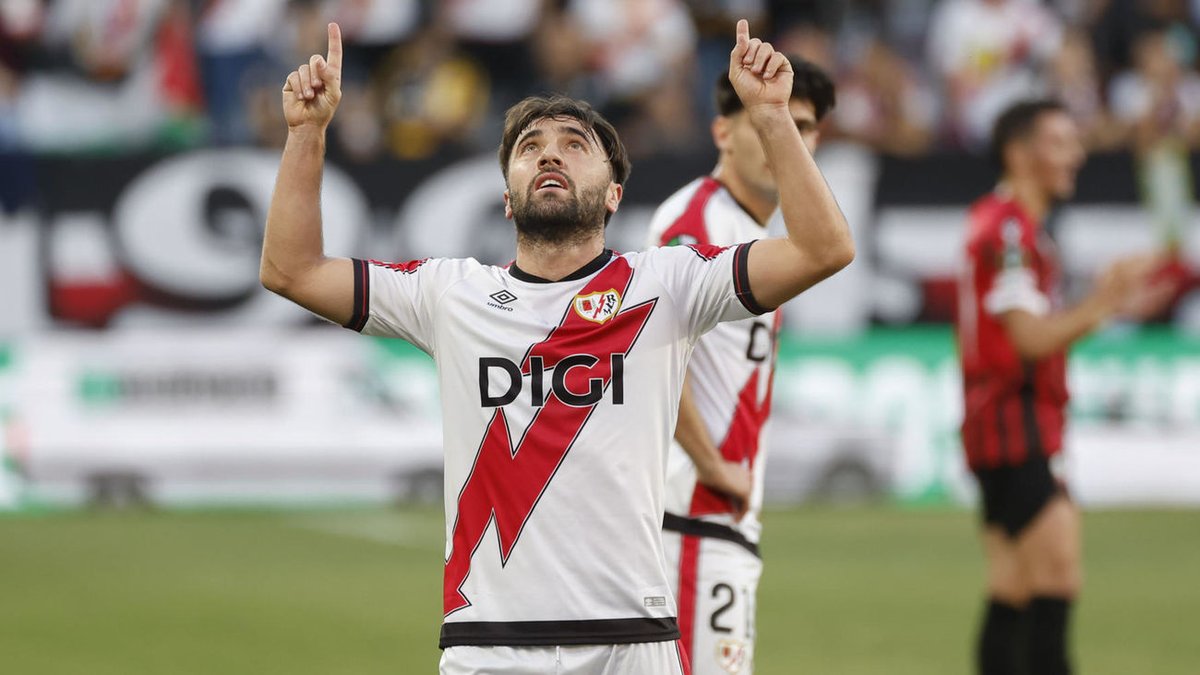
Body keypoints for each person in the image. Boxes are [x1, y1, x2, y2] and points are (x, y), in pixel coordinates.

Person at [261, 20, 854, 674]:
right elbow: (291, 270)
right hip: (490, 645)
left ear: (614, 194)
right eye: (530, 147)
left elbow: (823, 249)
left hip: (634, 643)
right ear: (506, 200)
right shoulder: (450, 294)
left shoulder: (668, 284)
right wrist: (306, 133)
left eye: (575, 145)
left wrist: (771, 117)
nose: (550, 156)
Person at [956, 99, 1174, 675]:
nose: (1075, 155)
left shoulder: (1009, 225)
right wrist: (1104, 301)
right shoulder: (1010, 230)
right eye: (1059, 143)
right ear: (1018, 153)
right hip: (1014, 423)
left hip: (999, 422)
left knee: (1013, 584)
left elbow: (1029, 326)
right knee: (1057, 579)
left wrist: (1114, 301)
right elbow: (1029, 339)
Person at [645, 56, 835, 674]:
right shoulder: (698, 221)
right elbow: (650, 353)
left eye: (803, 128)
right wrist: (710, 462)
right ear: (723, 132)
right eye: (768, 122)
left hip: (714, 520)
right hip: (689, 514)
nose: (787, 139)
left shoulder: (756, 233)